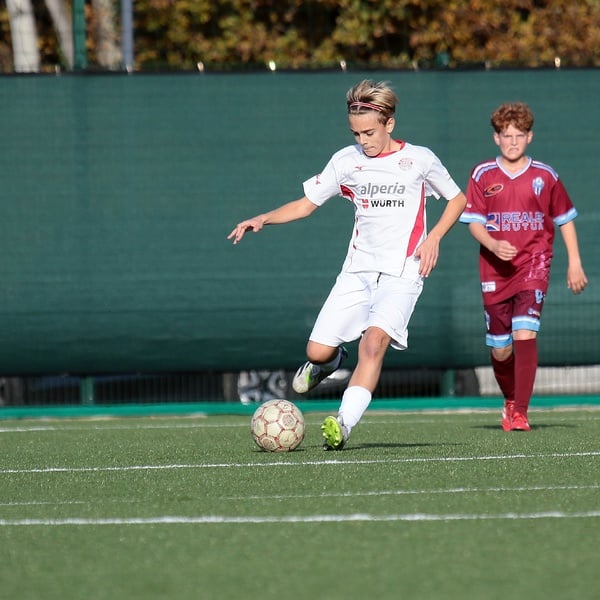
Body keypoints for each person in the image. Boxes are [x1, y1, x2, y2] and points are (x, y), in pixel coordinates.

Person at [228, 79, 467, 449]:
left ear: (390, 124)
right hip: (356, 272)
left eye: (369, 132)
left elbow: (457, 199)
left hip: (403, 273)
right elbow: (306, 204)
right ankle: (329, 361)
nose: (363, 140)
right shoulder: (346, 161)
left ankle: (342, 424)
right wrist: (263, 218)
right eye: (356, 133)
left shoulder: (419, 160)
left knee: (374, 344)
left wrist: (433, 237)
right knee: (316, 352)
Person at [460, 101, 587, 432]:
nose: (512, 141)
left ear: (530, 137)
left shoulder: (545, 176)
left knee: (525, 333)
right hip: (493, 271)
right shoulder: (482, 174)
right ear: (496, 139)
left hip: (534, 265)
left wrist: (575, 262)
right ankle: (510, 400)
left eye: (519, 135)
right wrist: (492, 244)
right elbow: (473, 223)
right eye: (506, 135)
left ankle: (521, 412)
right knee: (501, 350)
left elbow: (565, 220)